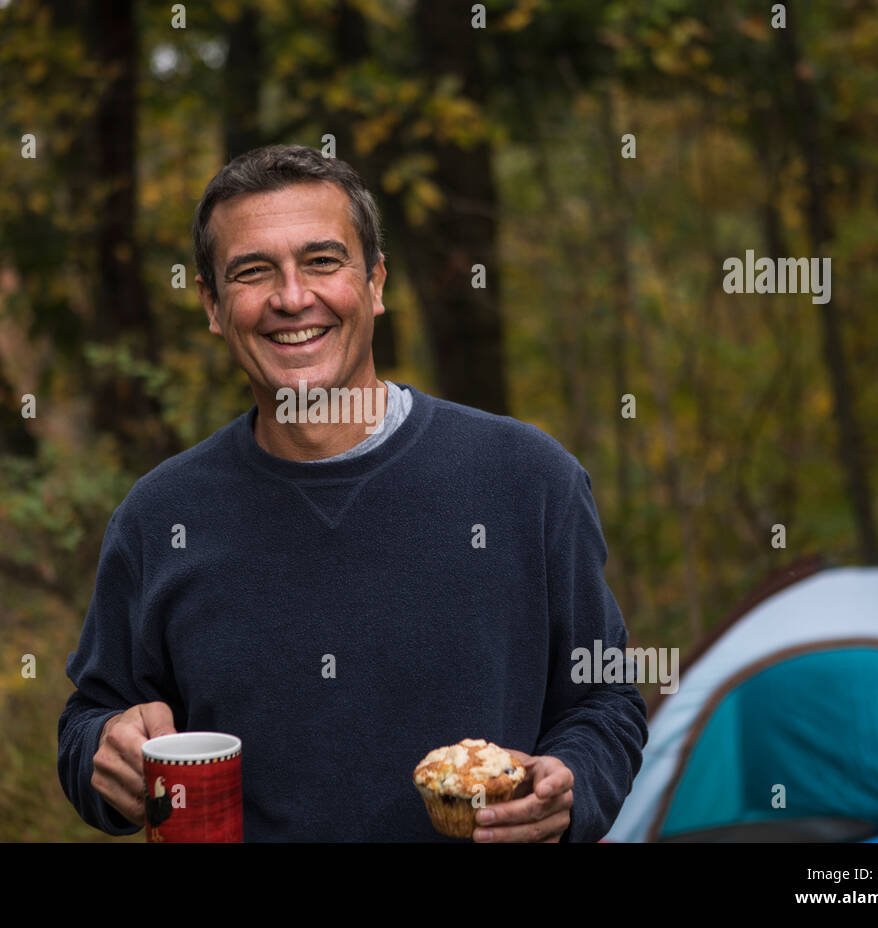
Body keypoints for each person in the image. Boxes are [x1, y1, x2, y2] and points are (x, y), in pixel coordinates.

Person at [58, 144, 648, 842]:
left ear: (375, 283)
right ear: (213, 306)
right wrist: (105, 749)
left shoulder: (527, 480)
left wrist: (569, 788)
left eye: (322, 261)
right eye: (253, 272)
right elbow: (91, 719)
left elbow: (605, 700)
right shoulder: (160, 518)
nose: (291, 297)